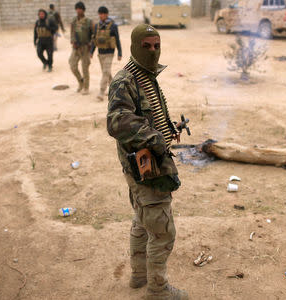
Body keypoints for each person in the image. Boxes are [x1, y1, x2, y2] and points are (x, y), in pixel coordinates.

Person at [107, 24, 188, 300]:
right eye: (147, 46)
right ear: (134, 46)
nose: (153, 51)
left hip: (146, 165)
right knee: (162, 231)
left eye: (156, 46)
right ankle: (157, 290)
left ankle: (139, 276)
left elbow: (145, 113)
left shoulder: (146, 76)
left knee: (142, 221)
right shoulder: (125, 80)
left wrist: (167, 129)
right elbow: (116, 121)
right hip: (145, 168)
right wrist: (153, 137)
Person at [90, 6, 123, 101]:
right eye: (99, 14)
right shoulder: (97, 26)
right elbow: (94, 40)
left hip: (110, 53)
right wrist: (91, 51)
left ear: (106, 14)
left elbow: (117, 39)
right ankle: (115, 89)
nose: (101, 16)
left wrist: (119, 53)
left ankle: (101, 92)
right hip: (100, 53)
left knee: (105, 72)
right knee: (107, 73)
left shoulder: (113, 26)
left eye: (102, 14)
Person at [69, 1, 94, 95]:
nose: (78, 10)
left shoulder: (89, 21)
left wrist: (90, 44)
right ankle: (81, 82)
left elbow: (93, 34)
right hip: (76, 47)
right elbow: (72, 32)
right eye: (77, 9)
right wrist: (72, 40)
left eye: (80, 9)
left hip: (85, 48)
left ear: (83, 10)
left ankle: (86, 87)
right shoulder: (74, 20)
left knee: (85, 68)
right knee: (72, 65)